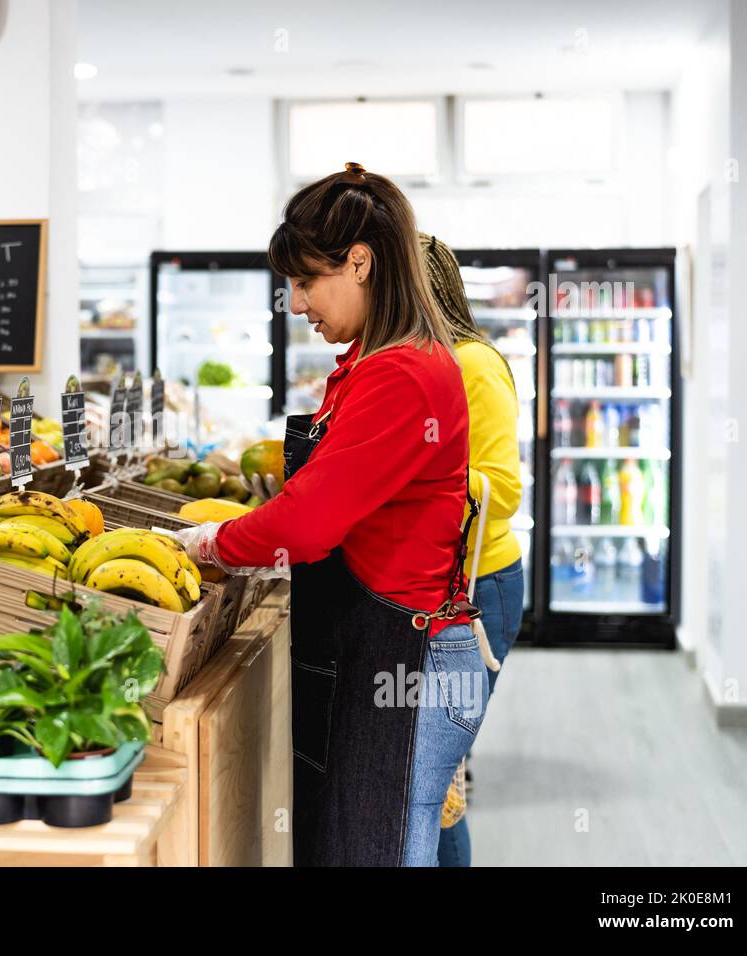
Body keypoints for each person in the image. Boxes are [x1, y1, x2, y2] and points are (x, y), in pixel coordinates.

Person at [176, 163, 489, 866]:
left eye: (306, 280)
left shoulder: (401, 373)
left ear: (361, 261)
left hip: (404, 668)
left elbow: (307, 527)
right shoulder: (368, 365)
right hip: (385, 654)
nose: (295, 303)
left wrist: (208, 542)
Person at [420, 234, 525, 867]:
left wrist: (405, 477)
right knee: (431, 773)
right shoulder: (416, 364)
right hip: (440, 583)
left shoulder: (473, 365)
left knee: (437, 780)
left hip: (480, 588)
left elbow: (502, 490)